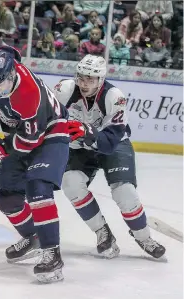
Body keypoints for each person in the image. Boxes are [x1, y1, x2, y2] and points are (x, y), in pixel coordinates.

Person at [53, 54, 166, 259]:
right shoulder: (64, 90)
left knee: (124, 192)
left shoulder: (115, 97)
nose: (84, 83)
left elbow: (108, 143)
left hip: (114, 146)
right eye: (81, 77)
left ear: (101, 79)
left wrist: (87, 131)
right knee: (70, 183)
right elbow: (47, 120)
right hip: (79, 148)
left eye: (91, 79)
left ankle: (143, 237)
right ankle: (102, 232)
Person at [0, 46, 70, 283]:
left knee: (38, 189)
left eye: (1, 85)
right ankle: (33, 236)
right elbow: (8, 52)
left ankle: (52, 253)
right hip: (23, 131)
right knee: (8, 200)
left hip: (50, 132)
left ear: (12, 75)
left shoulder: (27, 94)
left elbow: (29, 142)